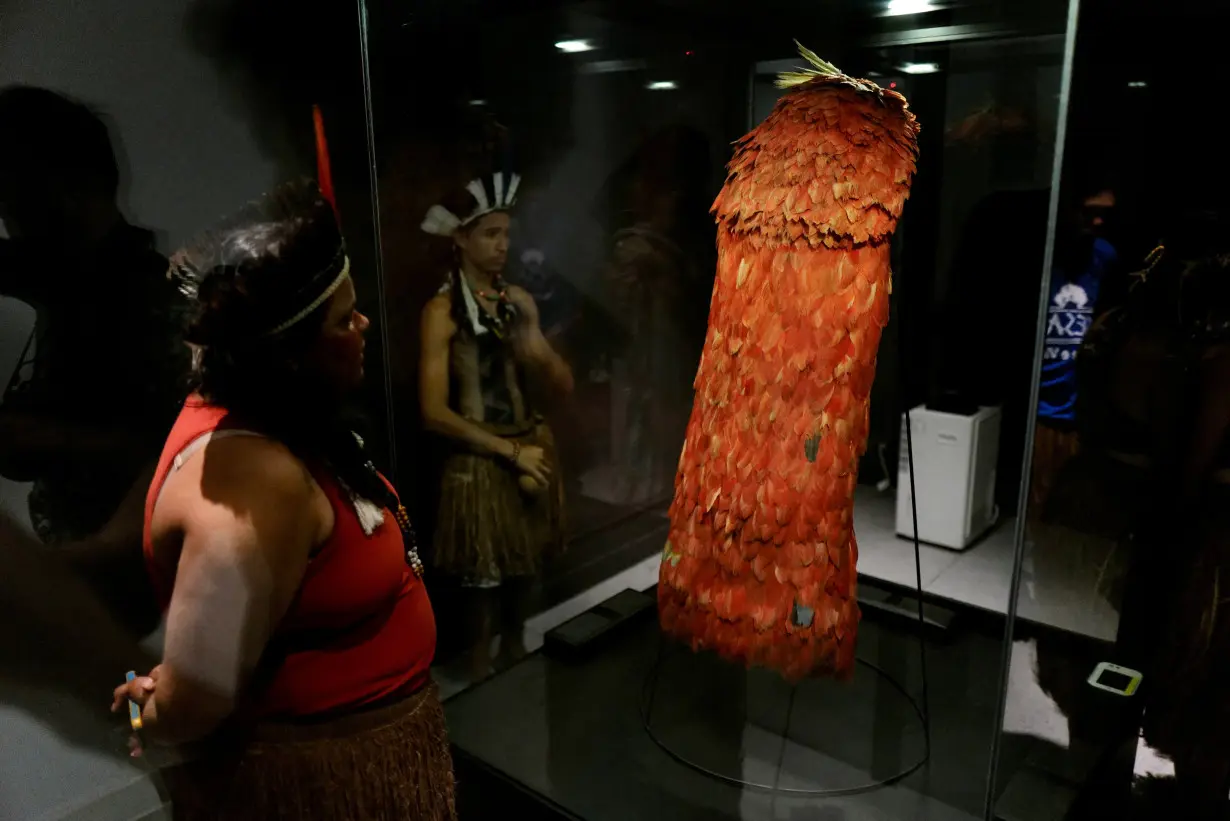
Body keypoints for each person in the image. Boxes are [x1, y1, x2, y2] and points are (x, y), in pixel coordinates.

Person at [112, 182, 454, 821]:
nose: (364, 325)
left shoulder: (281, 422)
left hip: (367, 766)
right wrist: (136, 711)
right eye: (343, 318)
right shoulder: (251, 490)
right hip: (319, 789)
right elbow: (189, 705)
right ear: (288, 357)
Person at [0, 85, 184, 633]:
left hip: (130, 575)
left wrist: (46, 439)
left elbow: (182, 450)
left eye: (13, 201)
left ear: (66, 193)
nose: (8, 222)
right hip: (92, 560)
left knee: (132, 702)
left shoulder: (150, 303)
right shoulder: (72, 277)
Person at [419, 172, 573, 680]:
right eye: (490, 234)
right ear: (460, 238)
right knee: (483, 584)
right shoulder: (442, 312)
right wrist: (509, 454)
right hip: (482, 459)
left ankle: (516, 662)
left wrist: (534, 340)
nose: (502, 245)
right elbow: (434, 412)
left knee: (525, 572)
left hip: (530, 443)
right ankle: (484, 675)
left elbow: (562, 386)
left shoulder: (519, 301)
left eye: (506, 234)